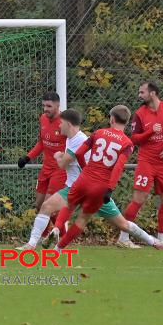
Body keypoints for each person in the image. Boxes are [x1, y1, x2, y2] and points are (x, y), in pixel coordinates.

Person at [16, 109, 163, 251]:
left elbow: (67, 162)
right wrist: (109, 188)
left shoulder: (90, 136)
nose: (59, 125)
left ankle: (56, 237)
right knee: (47, 207)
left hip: (83, 185)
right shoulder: (78, 139)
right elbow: (114, 166)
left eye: (61, 123)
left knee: (120, 224)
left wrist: (58, 157)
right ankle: (33, 244)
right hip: (95, 187)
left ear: (111, 119)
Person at [54, 105, 135, 251]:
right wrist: (109, 189)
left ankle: (56, 228)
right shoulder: (127, 143)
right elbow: (117, 168)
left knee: (69, 205)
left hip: (85, 178)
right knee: (82, 219)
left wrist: (86, 169)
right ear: (127, 122)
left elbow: (79, 154)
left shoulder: (99, 133)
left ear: (111, 119)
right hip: (101, 186)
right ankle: (58, 249)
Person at [117, 81, 163, 249]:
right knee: (139, 199)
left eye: (142, 92)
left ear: (152, 93)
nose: (139, 95)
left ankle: (162, 239)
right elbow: (135, 138)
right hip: (147, 162)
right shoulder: (140, 114)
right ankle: (123, 238)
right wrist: (150, 131)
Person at [17, 92, 66, 236]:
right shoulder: (43, 118)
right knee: (39, 206)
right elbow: (42, 143)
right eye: (44, 105)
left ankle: (63, 238)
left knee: (48, 206)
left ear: (58, 105)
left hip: (59, 170)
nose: (45, 109)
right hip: (46, 169)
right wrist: (27, 157)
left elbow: (75, 145)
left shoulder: (65, 122)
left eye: (49, 106)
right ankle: (45, 237)